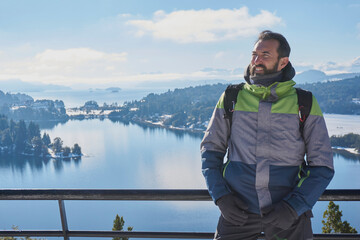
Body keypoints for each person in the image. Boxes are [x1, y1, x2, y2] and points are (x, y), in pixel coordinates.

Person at [200, 30, 334, 240]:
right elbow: (210, 151)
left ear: (283, 62)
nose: (256, 60)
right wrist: (222, 197)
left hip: (289, 216)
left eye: (265, 55)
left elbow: (322, 164)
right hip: (237, 213)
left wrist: (293, 207)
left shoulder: (304, 102)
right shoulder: (231, 98)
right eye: (254, 54)